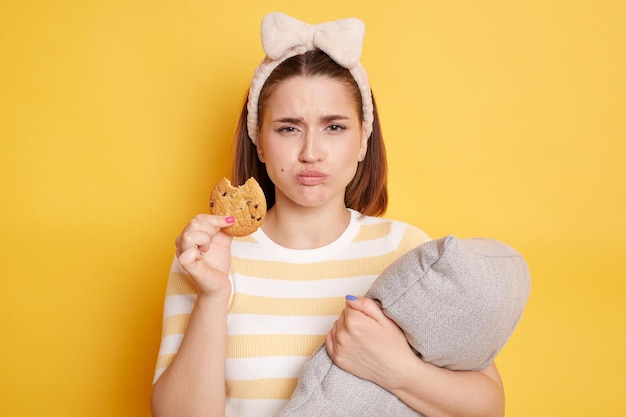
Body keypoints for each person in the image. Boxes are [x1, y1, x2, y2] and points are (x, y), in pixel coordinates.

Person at [151, 11, 505, 417]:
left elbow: (489, 408)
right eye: (288, 128)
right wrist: (213, 296)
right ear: (260, 143)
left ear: (362, 141)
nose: (311, 152)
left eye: (334, 127)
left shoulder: (407, 250)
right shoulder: (205, 258)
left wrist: (396, 369)